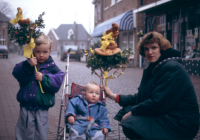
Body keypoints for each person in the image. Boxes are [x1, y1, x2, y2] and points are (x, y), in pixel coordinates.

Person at [103, 31, 199, 139]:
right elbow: (141, 97)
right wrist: (114, 96)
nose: (150, 52)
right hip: (166, 114)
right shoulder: (155, 68)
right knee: (125, 111)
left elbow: (158, 102)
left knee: (130, 122)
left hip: (180, 122)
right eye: (146, 49)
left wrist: (133, 112)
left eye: (154, 48)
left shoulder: (172, 68)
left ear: (161, 49)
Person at [12, 34, 65, 140]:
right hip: (26, 106)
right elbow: (16, 72)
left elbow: (58, 81)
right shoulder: (29, 64)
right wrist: (28, 65)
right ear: (33, 51)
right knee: (23, 131)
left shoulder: (52, 68)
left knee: (40, 133)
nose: (41, 55)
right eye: (38, 51)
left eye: (45, 52)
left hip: (42, 108)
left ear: (50, 52)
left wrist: (44, 78)